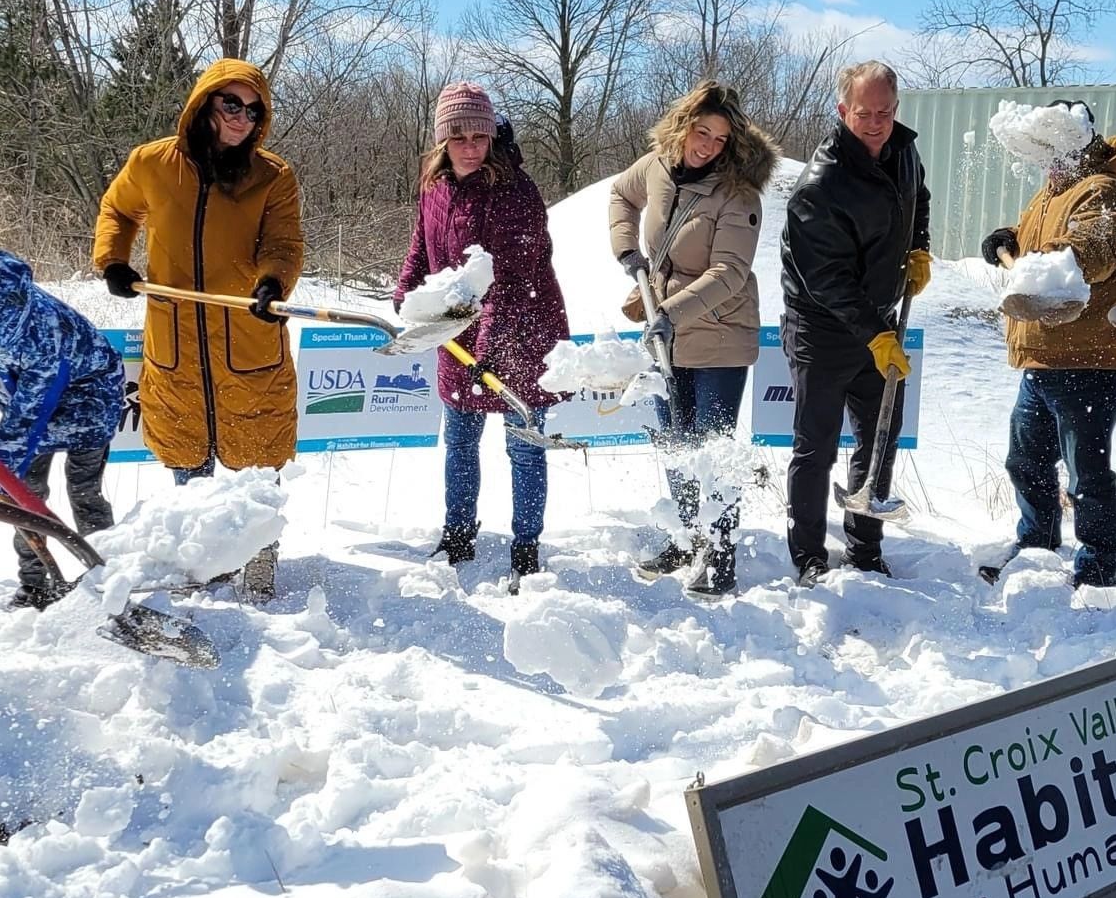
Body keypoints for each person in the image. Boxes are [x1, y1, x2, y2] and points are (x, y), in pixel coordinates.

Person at [92, 59, 302, 603]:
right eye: (231, 104)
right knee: (188, 465)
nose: (242, 117)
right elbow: (118, 208)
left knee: (256, 470)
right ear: (204, 104)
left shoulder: (272, 176)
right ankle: (202, 572)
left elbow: (283, 243)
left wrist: (272, 283)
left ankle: (258, 572)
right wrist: (114, 260)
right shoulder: (153, 163)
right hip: (177, 344)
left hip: (248, 341)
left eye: (253, 109)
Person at [608, 81, 778, 597]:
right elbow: (621, 194)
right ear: (683, 126)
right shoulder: (657, 165)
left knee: (712, 450)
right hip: (669, 334)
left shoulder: (738, 194)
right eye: (701, 132)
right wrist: (627, 253)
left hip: (720, 335)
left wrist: (670, 312)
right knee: (677, 445)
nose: (707, 145)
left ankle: (719, 553)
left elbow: (729, 272)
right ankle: (685, 538)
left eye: (720, 139)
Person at [396, 82, 569, 588]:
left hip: (519, 335)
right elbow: (421, 252)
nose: (470, 147)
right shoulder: (435, 187)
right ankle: (458, 532)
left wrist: (489, 346)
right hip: (458, 339)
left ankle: (526, 545)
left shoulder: (515, 192)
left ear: (493, 137)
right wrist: (407, 297)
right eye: (458, 137)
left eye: (479, 135)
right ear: (441, 141)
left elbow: (515, 280)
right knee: (461, 444)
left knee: (524, 446)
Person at [778, 60, 932, 586]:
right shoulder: (821, 185)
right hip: (821, 328)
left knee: (881, 434)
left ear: (896, 109)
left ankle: (865, 545)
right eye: (863, 113)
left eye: (884, 112)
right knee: (815, 444)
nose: (874, 123)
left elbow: (919, 199)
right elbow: (827, 278)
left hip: (877, 322)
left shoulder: (903, 151)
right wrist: (878, 335)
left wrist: (919, 249)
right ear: (843, 110)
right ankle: (808, 556)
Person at [977, 100, 1116, 590]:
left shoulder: (1101, 191)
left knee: (1086, 474)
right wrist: (1012, 235)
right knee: (1026, 460)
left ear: (1079, 142)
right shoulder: (1053, 190)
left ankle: (1095, 572)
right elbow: (1041, 236)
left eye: (1054, 147)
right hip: (1045, 356)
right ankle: (1036, 547)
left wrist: (1041, 259)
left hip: (1089, 358)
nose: (1046, 159)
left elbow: (1091, 252)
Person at [0, 248, 126, 608]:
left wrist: (2, 470)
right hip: (27, 401)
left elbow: (27, 418)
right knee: (24, 497)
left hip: (90, 396)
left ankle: (108, 574)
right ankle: (35, 584)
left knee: (83, 491)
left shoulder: (46, 335)